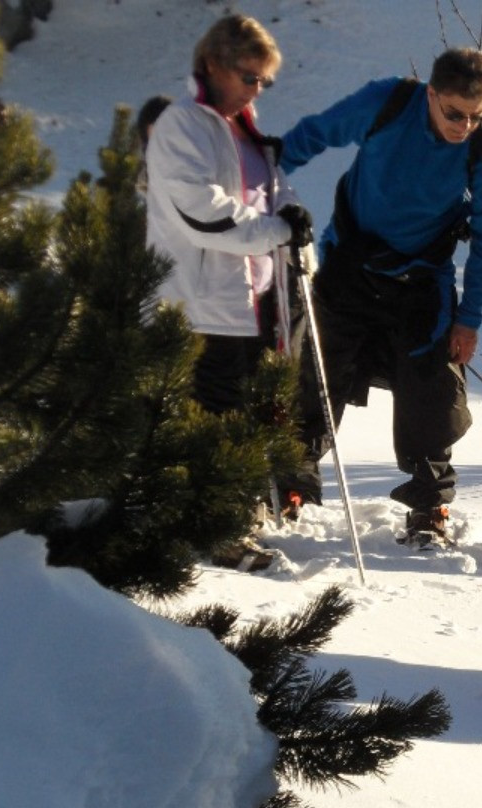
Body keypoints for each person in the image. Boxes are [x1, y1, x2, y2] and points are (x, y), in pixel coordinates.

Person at [277, 47, 482, 548]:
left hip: (422, 282)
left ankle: (429, 506)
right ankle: (288, 485)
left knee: (433, 389)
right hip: (349, 266)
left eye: (476, 116)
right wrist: (266, 180)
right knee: (317, 373)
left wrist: (468, 319)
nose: (463, 126)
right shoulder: (387, 103)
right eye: (454, 113)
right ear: (431, 94)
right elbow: (315, 133)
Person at [144, 14, 315, 568]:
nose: (255, 89)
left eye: (265, 81)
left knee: (241, 413)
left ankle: (229, 514)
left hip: (250, 302)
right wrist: (275, 230)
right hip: (201, 303)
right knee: (212, 415)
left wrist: (292, 214)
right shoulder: (182, 125)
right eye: (248, 76)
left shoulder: (245, 129)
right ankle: (209, 530)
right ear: (214, 64)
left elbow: (271, 192)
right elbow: (202, 210)